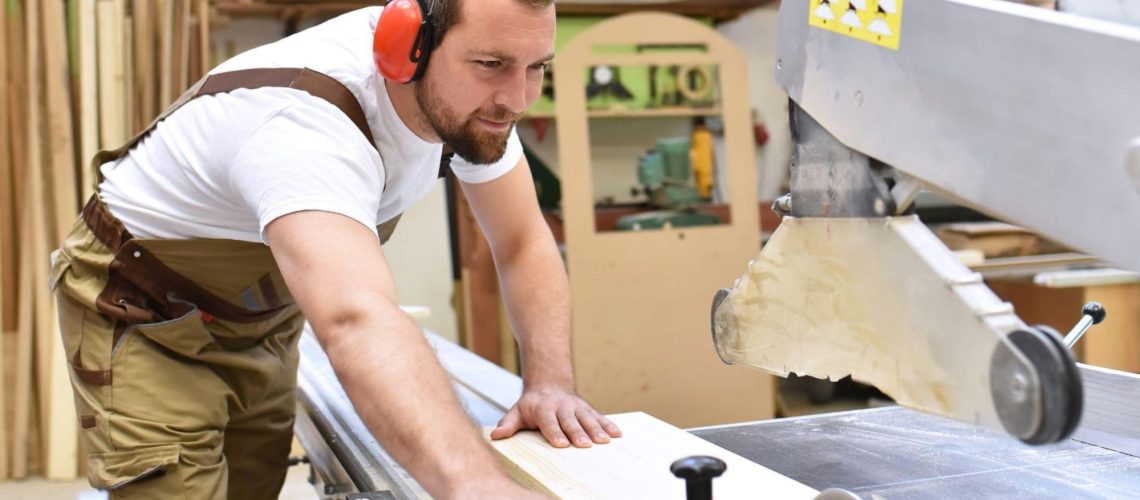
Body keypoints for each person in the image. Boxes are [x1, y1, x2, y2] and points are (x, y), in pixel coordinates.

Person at [50, 0, 620, 497]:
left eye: (536, 67)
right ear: (409, 46)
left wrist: (549, 383)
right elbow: (355, 319)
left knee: (253, 482)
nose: (517, 99)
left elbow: (521, 241)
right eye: (491, 65)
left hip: (260, 315)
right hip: (141, 308)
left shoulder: (477, 103)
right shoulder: (303, 119)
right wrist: (475, 484)